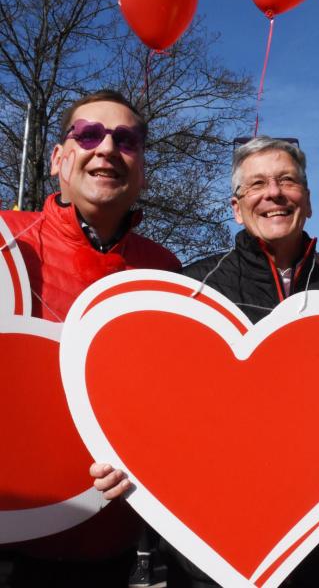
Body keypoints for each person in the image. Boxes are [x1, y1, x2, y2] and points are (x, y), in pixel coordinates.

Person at [92, 136, 319, 587]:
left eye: (287, 180)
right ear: (236, 207)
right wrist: (120, 456)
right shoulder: (194, 289)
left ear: (306, 200)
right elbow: (155, 405)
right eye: (257, 184)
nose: (273, 193)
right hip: (214, 553)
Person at [1, 89, 180, 588]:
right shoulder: (5, 243)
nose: (106, 148)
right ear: (59, 157)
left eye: (126, 140)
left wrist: (146, 455)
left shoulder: (165, 271)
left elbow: (168, 401)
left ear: (141, 168)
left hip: (108, 544)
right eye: (88, 134)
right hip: (9, 538)